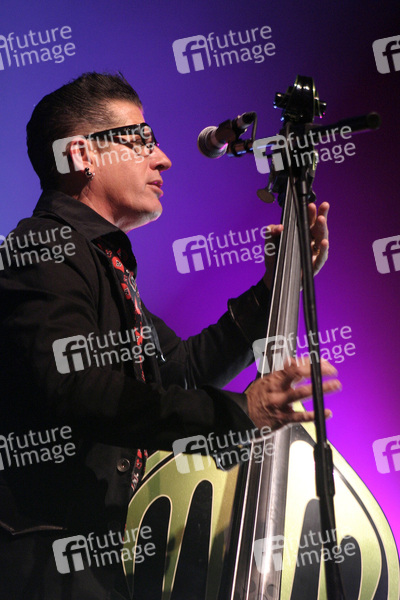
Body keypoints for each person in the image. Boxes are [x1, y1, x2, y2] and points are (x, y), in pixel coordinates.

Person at [0, 72, 340, 600]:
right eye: (140, 140)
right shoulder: (43, 248)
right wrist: (238, 412)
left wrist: (274, 289)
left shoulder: (103, 263)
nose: (163, 159)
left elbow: (181, 371)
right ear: (81, 155)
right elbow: (75, 387)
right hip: (49, 564)